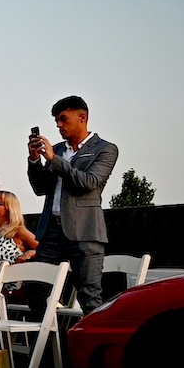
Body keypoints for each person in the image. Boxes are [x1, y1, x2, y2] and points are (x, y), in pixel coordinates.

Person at [27, 95, 118, 317]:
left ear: (82, 117)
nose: (58, 125)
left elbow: (88, 183)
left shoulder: (105, 149)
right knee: (35, 287)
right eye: (57, 120)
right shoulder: (56, 149)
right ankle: (51, 344)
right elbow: (41, 188)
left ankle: (90, 348)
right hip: (52, 231)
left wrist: (54, 160)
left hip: (85, 232)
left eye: (63, 119)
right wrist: (34, 160)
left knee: (89, 296)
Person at [0, 191, 38, 265]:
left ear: (9, 208)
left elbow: (43, 248)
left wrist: (30, 253)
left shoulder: (17, 231)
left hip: (12, 274)